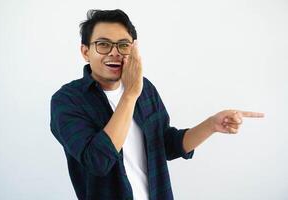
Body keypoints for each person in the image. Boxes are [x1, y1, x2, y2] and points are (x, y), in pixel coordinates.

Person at [50, 9, 264, 200]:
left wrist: (211, 125)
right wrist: (130, 95)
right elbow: (97, 161)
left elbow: (165, 145)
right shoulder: (67, 100)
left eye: (123, 45)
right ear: (85, 52)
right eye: (103, 44)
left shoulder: (145, 88)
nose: (114, 52)